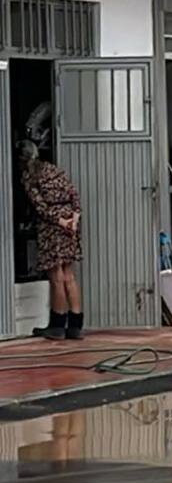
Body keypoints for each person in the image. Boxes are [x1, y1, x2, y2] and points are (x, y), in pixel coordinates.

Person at [17, 141, 84, 340]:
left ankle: (57, 325)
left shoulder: (29, 176)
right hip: (70, 224)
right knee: (69, 276)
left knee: (56, 277)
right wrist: (74, 219)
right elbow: (73, 194)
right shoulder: (52, 169)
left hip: (52, 228)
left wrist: (60, 221)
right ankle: (75, 326)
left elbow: (40, 207)